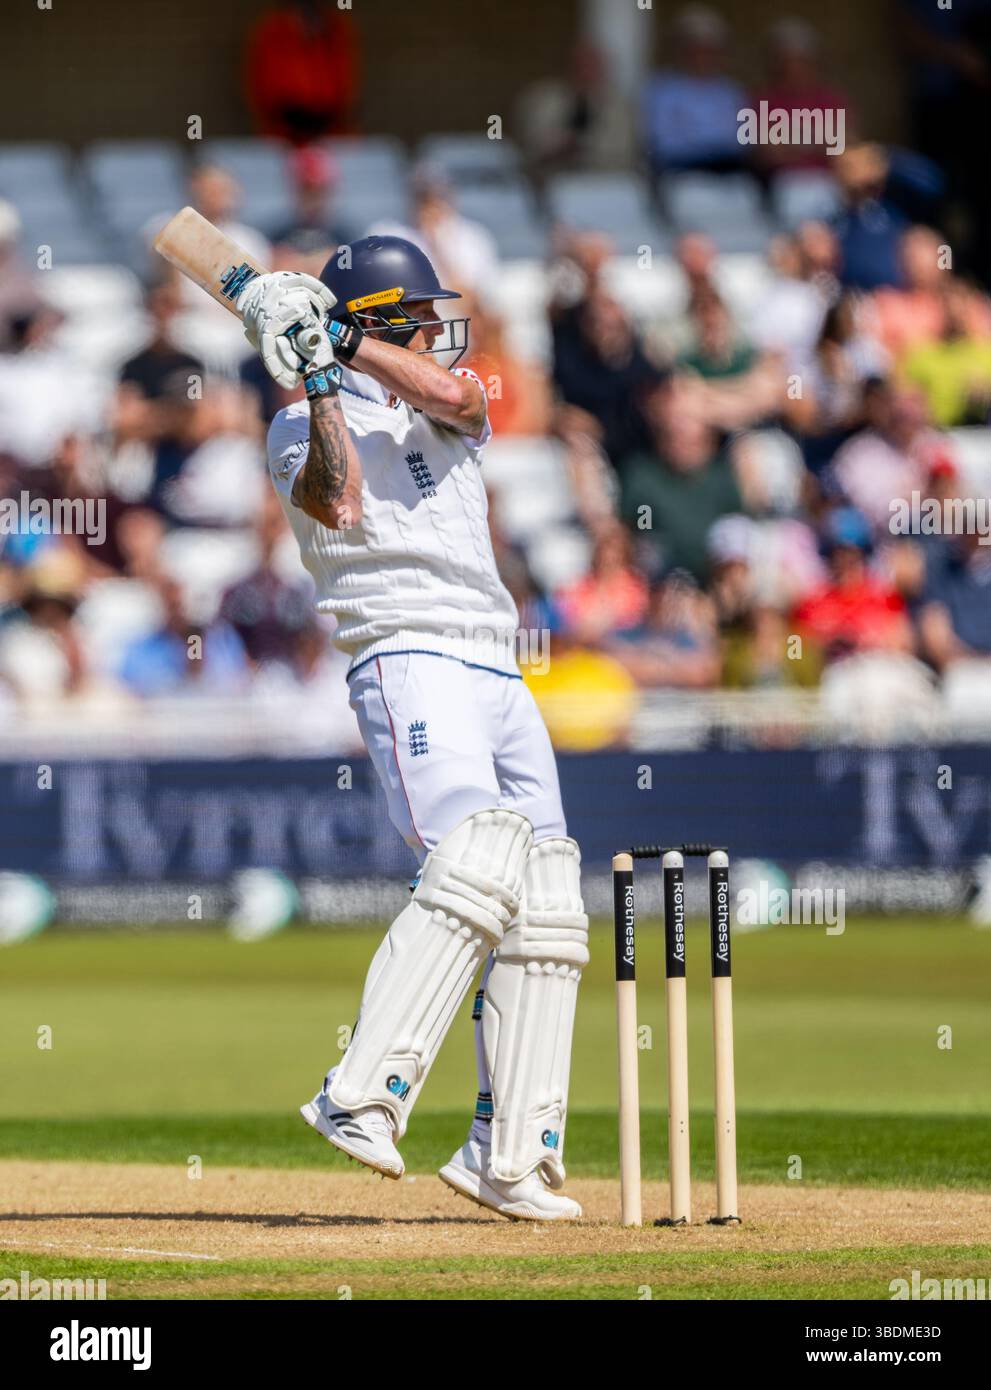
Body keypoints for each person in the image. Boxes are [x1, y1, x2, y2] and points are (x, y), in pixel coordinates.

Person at [235, 235, 589, 1221]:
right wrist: (316, 380)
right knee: (475, 859)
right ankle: (358, 1094)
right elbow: (334, 500)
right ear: (386, 313)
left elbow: (468, 402)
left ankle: (507, 1151)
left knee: (549, 887)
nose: (439, 331)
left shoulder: (441, 399)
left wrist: (340, 341)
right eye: (422, 315)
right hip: (407, 649)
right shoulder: (290, 424)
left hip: (495, 657)